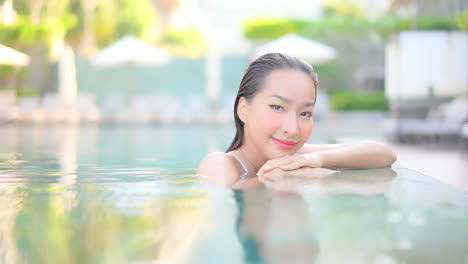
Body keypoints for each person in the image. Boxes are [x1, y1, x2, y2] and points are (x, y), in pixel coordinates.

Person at [198, 53, 396, 187]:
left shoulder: (294, 157)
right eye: (277, 107)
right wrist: (287, 176)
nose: (292, 129)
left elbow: (384, 153)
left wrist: (317, 160)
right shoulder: (221, 164)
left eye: (305, 113)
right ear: (244, 109)